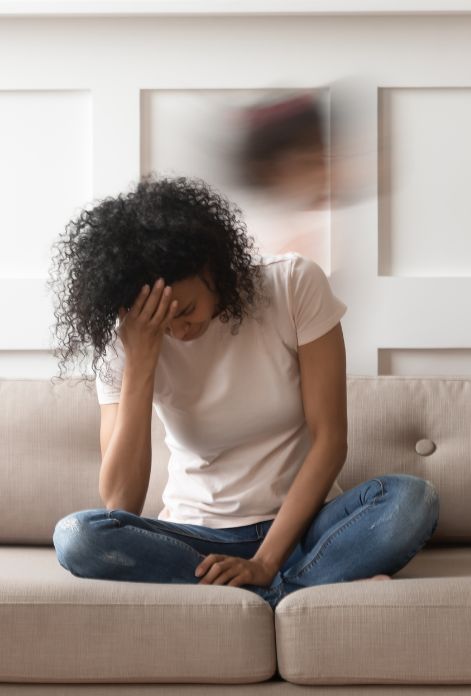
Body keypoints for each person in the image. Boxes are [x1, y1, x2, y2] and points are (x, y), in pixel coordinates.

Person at [49, 175, 440, 610]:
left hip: (305, 527)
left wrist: (265, 562)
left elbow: (331, 441)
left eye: (187, 310)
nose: (179, 330)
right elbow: (120, 502)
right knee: (76, 537)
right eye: (164, 323)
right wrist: (141, 361)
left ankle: (266, 588)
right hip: (196, 542)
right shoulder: (128, 342)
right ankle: (304, 587)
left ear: (211, 268)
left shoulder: (293, 285)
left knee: (412, 500)